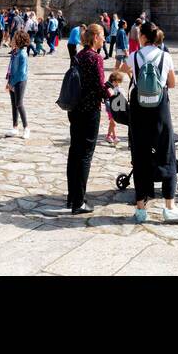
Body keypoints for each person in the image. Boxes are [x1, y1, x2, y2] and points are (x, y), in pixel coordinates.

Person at [125, 21, 178, 223]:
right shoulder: (166, 56)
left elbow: (126, 72)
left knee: (140, 154)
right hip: (160, 110)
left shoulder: (133, 56)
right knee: (166, 153)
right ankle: (169, 206)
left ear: (142, 37)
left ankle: (140, 209)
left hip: (139, 110)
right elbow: (171, 83)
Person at [65, 23, 108, 213]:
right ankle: (79, 201)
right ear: (96, 37)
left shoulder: (77, 57)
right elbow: (100, 87)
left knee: (74, 152)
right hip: (90, 111)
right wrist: (112, 91)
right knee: (85, 155)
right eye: (103, 36)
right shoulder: (96, 58)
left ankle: (71, 196)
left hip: (75, 110)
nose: (105, 39)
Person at [4, 30, 30, 138]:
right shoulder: (15, 52)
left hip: (20, 81)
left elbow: (21, 72)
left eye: (14, 38)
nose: (12, 39)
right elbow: (11, 69)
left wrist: (12, 83)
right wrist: (9, 82)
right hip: (13, 80)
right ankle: (15, 127)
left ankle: (26, 128)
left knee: (19, 103)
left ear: (18, 40)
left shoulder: (22, 54)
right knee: (14, 105)